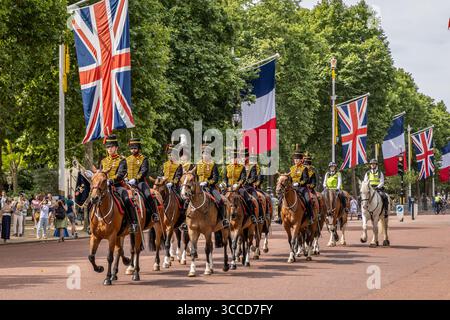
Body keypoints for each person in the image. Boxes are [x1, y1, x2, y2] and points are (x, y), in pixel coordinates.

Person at [99, 134, 138, 233]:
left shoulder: (122, 160)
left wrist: (111, 180)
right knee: (92, 200)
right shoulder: (103, 161)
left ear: (116, 147)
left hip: (117, 186)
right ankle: (91, 225)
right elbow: (100, 173)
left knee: (127, 199)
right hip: (103, 186)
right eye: (108, 147)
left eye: (111, 146)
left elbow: (121, 174)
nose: (109, 149)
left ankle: (133, 223)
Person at [126, 137, 160, 225]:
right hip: (128, 183)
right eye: (131, 148)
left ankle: (154, 213)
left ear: (139, 148)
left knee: (148, 195)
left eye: (135, 148)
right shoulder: (127, 159)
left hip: (140, 182)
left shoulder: (143, 159)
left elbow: (144, 171)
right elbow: (124, 170)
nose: (133, 150)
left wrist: (136, 179)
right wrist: (125, 178)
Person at [196, 144, 229, 227]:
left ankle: (223, 219)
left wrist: (207, 183)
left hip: (210, 187)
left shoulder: (213, 164)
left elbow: (215, 178)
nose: (205, 155)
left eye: (207, 153)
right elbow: (194, 176)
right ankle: (186, 221)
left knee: (219, 200)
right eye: (204, 153)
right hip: (198, 187)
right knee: (186, 200)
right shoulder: (198, 164)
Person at [223, 149, 256, 223]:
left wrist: (238, 184)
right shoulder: (228, 167)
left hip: (240, 187)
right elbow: (225, 178)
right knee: (220, 198)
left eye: (236, 158)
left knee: (248, 199)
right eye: (233, 158)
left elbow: (243, 178)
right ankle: (222, 217)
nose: (235, 159)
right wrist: (225, 184)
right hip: (229, 187)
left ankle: (252, 215)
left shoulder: (242, 167)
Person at [161, 143, 187, 230]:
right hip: (164, 186)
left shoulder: (178, 165)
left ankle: (183, 221)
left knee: (182, 200)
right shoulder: (164, 164)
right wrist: (161, 180)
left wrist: (172, 183)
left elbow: (178, 176)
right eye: (169, 154)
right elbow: (161, 175)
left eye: (171, 154)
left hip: (174, 187)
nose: (170, 156)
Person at [288, 145, 314, 225]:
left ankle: (310, 217)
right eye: (295, 159)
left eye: (297, 159)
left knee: (308, 200)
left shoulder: (304, 168)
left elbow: (306, 179)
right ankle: (280, 217)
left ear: (301, 160)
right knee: (281, 199)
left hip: (302, 188)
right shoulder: (291, 169)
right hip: (292, 188)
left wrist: (299, 183)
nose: (296, 160)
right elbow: (289, 179)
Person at [243, 148, 264, 224]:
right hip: (239, 187)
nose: (244, 158)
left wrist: (249, 183)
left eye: (245, 156)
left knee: (257, 199)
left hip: (250, 187)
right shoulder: (239, 166)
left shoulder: (253, 166)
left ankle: (260, 216)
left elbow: (254, 178)